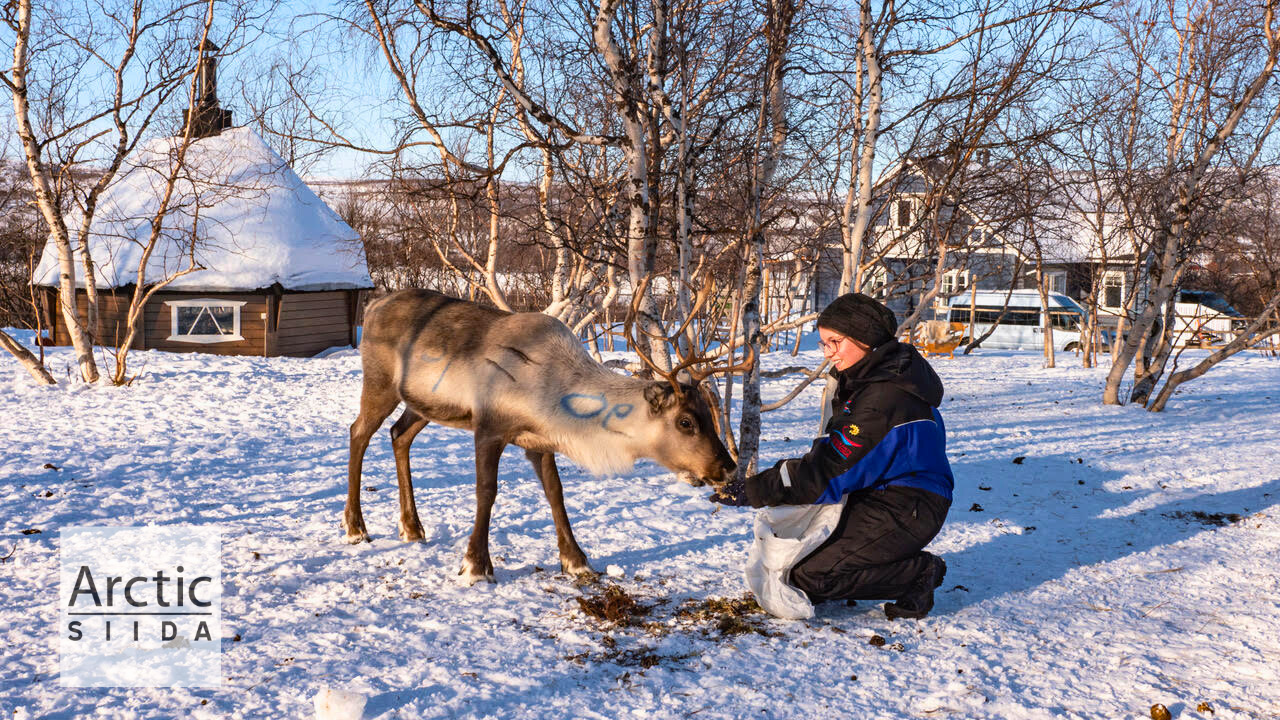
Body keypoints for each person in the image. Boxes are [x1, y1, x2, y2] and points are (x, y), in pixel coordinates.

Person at [712, 292, 953, 620]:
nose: (827, 353)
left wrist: (754, 490)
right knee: (798, 565)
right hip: (879, 496)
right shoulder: (869, 381)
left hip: (909, 506)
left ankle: (916, 573)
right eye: (824, 343)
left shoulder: (885, 396)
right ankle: (873, 565)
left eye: (835, 342)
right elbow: (835, 456)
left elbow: (828, 471)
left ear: (864, 339)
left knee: (811, 577)